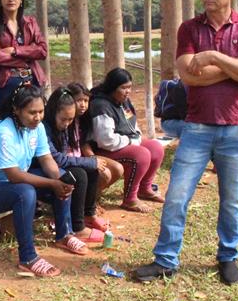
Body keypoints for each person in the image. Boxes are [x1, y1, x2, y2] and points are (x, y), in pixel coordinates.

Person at [132, 0, 238, 286]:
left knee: (231, 198)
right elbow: (189, 75)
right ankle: (166, 260)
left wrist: (214, 58)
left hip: (237, 127)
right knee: (177, 195)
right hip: (196, 128)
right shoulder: (189, 29)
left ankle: (228, 257)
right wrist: (237, 69)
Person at [0, 84, 88, 278]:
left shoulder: (37, 127)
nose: (38, 117)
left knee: (61, 176)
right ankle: (28, 257)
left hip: (14, 183)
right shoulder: (2, 132)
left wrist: (60, 179)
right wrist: (52, 183)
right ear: (16, 110)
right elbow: (14, 176)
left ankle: (64, 234)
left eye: (41, 111)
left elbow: (46, 159)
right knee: (26, 192)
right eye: (32, 112)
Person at [86, 68, 165, 214]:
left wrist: (137, 137)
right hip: (104, 149)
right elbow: (106, 140)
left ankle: (145, 188)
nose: (128, 91)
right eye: (123, 88)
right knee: (142, 155)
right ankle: (130, 198)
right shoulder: (101, 105)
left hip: (125, 142)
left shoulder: (124, 101)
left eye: (129, 87)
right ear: (112, 87)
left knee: (156, 148)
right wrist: (130, 141)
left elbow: (132, 123)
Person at [42, 87, 110, 243]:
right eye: (64, 119)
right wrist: (89, 161)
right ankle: (78, 227)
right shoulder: (44, 128)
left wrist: (89, 163)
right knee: (79, 174)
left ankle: (88, 215)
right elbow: (57, 158)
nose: (67, 124)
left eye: (70, 120)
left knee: (91, 171)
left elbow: (64, 154)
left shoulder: (64, 126)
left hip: (56, 165)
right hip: (43, 168)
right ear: (53, 113)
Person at [0, 0, 48, 118]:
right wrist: (28, 58)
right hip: (7, 82)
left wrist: (16, 51)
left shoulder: (30, 22)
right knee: (9, 126)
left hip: (33, 81)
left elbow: (42, 50)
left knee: (34, 123)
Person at [66, 82, 123, 224]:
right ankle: (84, 207)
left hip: (81, 156)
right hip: (70, 160)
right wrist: (90, 161)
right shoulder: (64, 118)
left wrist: (92, 157)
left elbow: (83, 142)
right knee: (103, 173)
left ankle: (90, 202)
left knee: (117, 168)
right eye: (79, 100)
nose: (83, 105)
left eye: (86, 101)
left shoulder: (83, 119)